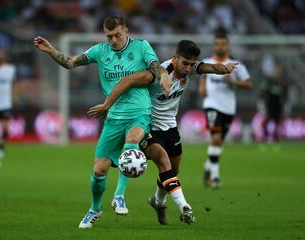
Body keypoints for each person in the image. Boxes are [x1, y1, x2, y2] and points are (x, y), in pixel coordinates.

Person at [34, 15, 172, 228]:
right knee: (99, 171)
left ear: (126, 30)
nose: (114, 40)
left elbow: (155, 66)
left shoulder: (141, 47)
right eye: (109, 36)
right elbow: (71, 63)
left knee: (132, 142)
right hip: (113, 118)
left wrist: (163, 75)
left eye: (117, 35)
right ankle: (95, 210)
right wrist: (52, 50)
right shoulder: (100, 51)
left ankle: (119, 196)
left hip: (139, 112)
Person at [88, 40, 237, 224]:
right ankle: (185, 207)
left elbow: (210, 68)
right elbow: (128, 80)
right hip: (149, 127)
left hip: (170, 127)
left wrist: (225, 68)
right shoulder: (158, 73)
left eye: (192, 64)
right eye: (185, 64)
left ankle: (158, 201)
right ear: (175, 59)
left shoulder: (190, 68)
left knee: (173, 171)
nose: (188, 68)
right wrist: (108, 105)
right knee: (163, 162)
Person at [198, 33, 252, 189]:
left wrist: (233, 82)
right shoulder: (207, 63)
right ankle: (215, 177)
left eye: (222, 44)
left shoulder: (236, 65)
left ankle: (208, 166)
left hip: (228, 108)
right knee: (215, 138)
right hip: (211, 105)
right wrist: (202, 87)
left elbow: (249, 85)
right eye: (217, 44)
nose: (220, 46)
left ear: (227, 45)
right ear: (214, 45)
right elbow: (202, 76)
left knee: (218, 141)